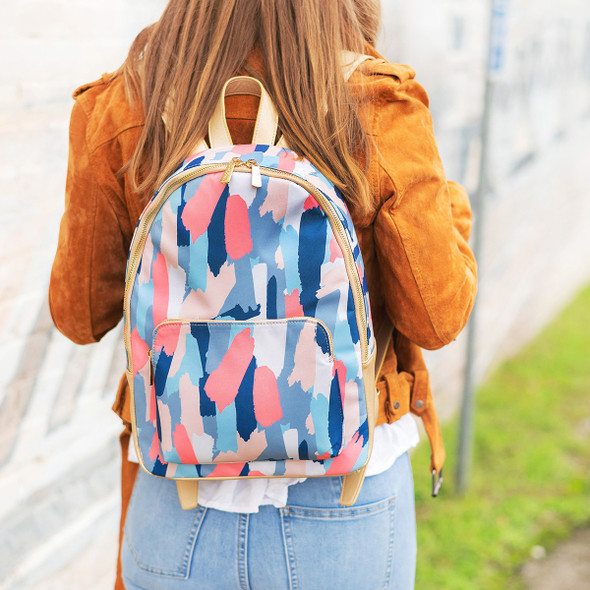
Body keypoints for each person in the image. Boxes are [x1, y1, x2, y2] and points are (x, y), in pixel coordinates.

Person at [49, 1, 477, 588]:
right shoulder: (378, 107)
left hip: (176, 506)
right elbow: (437, 316)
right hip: (344, 510)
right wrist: (450, 208)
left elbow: (79, 314)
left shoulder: (126, 106)